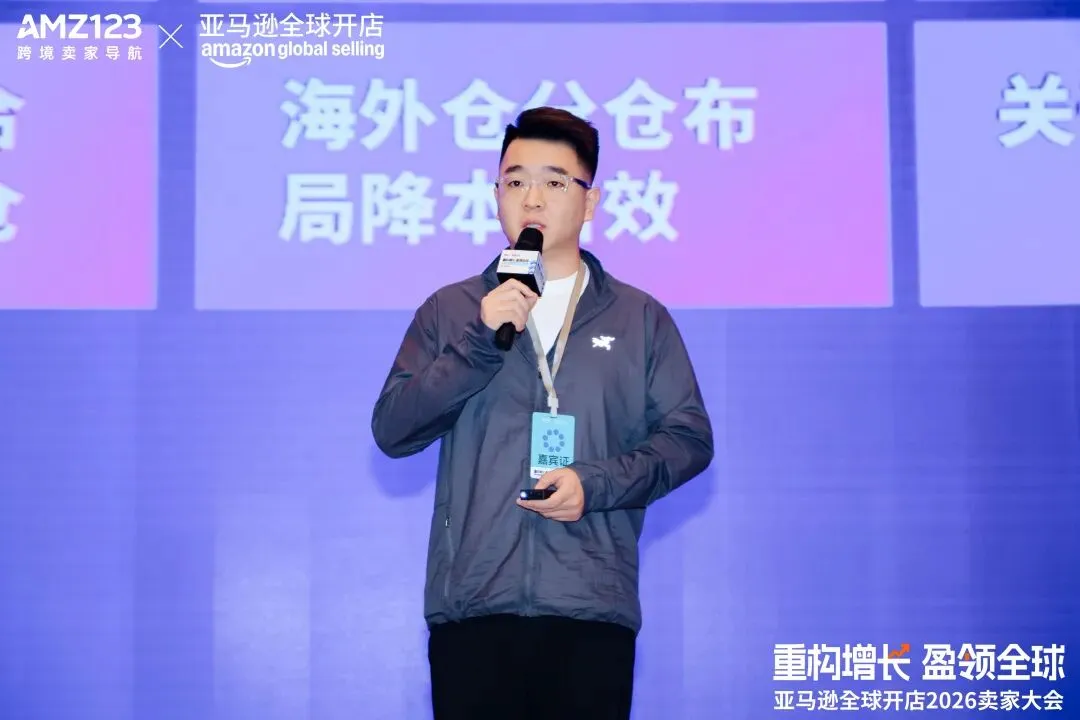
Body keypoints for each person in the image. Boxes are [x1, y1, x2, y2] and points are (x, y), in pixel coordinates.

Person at [371, 107, 714, 720]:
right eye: (515, 181)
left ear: (590, 201)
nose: (531, 198)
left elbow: (688, 439)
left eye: (554, 181)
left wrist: (596, 483)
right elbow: (394, 429)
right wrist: (478, 343)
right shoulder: (453, 310)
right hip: (474, 610)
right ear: (495, 195)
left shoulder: (639, 318)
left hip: (590, 610)